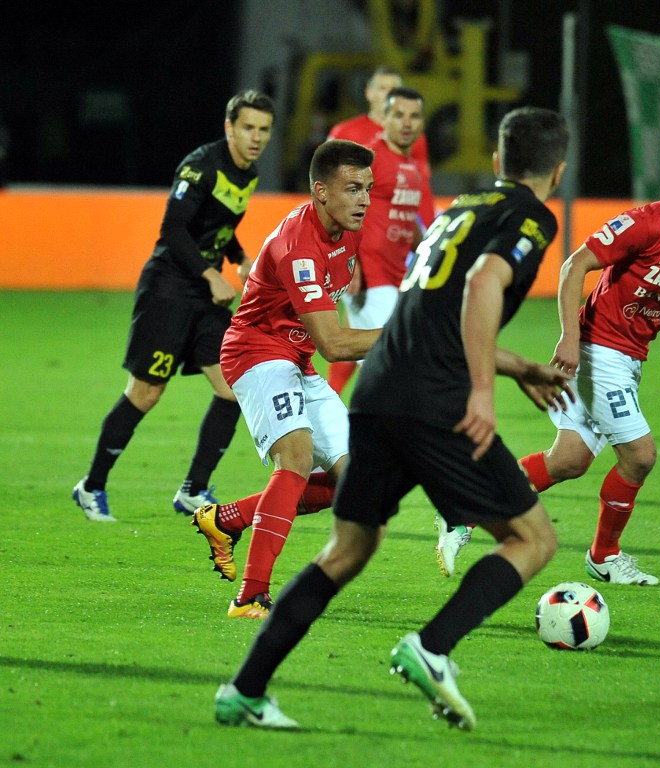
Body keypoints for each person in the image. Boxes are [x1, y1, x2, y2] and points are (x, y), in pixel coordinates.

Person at [212, 106, 572, 731]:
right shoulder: (531, 217)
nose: (362, 199)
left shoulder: (462, 208)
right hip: (429, 399)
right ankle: (431, 649)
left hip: (378, 390)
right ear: (558, 171)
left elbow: (430, 319)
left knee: (348, 548)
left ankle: (243, 690)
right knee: (533, 539)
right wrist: (483, 391)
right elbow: (484, 284)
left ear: (496, 161)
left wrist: (516, 365)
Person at [435, 133, 660, 585]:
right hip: (599, 351)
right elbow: (574, 264)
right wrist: (570, 338)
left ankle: (464, 506)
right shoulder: (646, 222)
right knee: (640, 456)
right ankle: (604, 555)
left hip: (629, 358)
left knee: (569, 460)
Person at [72, 90, 276, 522]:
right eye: (248, 128)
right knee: (146, 393)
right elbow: (173, 228)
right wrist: (211, 274)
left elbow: (219, 224)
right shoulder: (201, 166)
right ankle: (91, 487)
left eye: (263, 129)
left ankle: (193, 490)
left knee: (232, 388)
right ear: (229, 127)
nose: (256, 137)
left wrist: (238, 257)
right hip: (168, 289)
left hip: (205, 297)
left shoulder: (249, 173)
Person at [210, 139, 383, 619]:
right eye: (353, 189)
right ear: (321, 191)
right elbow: (334, 344)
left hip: (297, 360)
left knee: (360, 481)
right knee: (297, 458)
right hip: (256, 351)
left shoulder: (347, 232)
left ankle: (231, 518)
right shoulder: (298, 246)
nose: (365, 200)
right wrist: (409, 336)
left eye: (368, 188)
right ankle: (250, 595)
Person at [327, 86, 432, 394]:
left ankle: (331, 412)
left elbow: (405, 219)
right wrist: (352, 265)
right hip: (370, 277)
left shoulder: (411, 166)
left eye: (414, 116)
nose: (407, 123)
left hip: (395, 276)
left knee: (384, 363)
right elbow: (336, 208)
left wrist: (431, 250)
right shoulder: (370, 160)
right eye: (398, 115)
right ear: (383, 119)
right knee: (399, 362)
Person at [327, 66, 434, 228]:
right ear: (369, 93)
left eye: (395, 89)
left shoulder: (414, 138)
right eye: (383, 88)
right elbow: (327, 181)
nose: (390, 94)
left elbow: (422, 188)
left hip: (398, 229)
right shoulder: (345, 132)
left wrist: (430, 229)